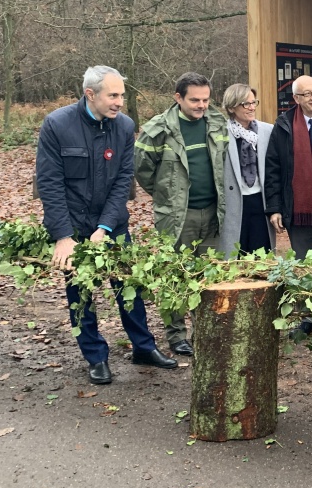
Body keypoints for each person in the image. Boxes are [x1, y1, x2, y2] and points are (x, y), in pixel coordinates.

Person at [36, 66, 177, 385]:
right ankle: (95, 357)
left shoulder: (124, 126)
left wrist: (105, 227)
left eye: (122, 95)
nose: (120, 102)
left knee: (129, 285)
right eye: (113, 95)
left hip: (112, 224)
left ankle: (143, 347)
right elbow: (50, 183)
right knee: (80, 293)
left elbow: (123, 180)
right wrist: (63, 236)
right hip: (72, 226)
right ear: (90, 94)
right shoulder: (57, 124)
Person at [135, 72, 229, 357]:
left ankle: (205, 331)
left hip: (212, 213)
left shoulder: (217, 122)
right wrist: (168, 196)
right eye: (195, 100)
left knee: (208, 275)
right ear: (178, 98)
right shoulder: (158, 129)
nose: (201, 105)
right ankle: (176, 335)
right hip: (177, 216)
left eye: (206, 99)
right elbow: (143, 171)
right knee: (174, 275)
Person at [265, 75, 312, 259]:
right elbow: (273, 170)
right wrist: (274, 208)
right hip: (297, 211)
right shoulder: (283, 125)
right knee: (303, 265)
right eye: (308, 94)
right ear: (296, 98)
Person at [220, 84, 276, 257]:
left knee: (262, 257)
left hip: (261, 202)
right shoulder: (221, 134)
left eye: (254, 102)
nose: (252, 107)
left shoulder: (268, 130)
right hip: (234, 204)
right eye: (246, 104)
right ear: (231, 107)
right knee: (235, 256)